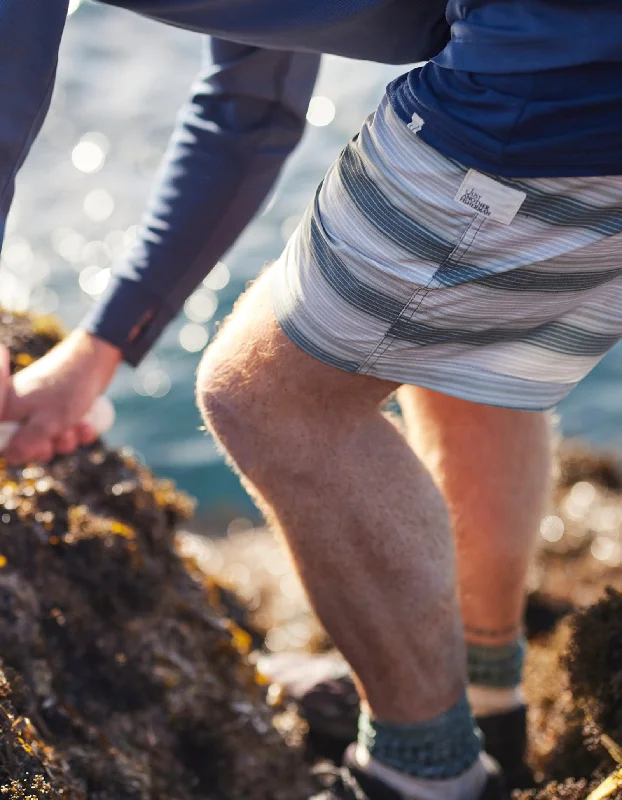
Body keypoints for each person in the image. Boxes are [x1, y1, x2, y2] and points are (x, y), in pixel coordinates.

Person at [3, 0, 616, 798]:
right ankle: (482, 701)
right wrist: (100, 348)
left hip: (559, 76)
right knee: (448, 332)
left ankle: (424, 776)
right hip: (566, 56)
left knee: (269, 403)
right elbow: (252, 101)